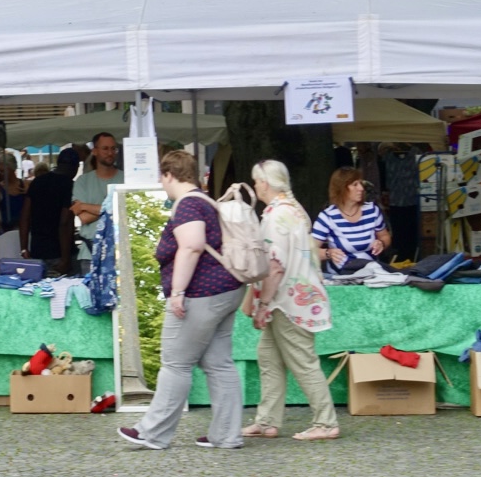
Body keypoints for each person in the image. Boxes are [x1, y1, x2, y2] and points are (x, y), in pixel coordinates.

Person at [118, 151, 244, 450]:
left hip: (202, 294)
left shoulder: (187, 205)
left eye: (162, 179)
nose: (162, 185)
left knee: (175, 363)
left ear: (168, 175)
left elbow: (191, 246)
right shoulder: (207, 202)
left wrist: (177, 292)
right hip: (228, 289)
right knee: (219, 363)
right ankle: (227, 435)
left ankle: (153, 432)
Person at [242, 160, 339, 441]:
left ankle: (326, 422)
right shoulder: (293, 212)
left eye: (257, 181)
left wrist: (263, 304)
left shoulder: (275, 217)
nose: (256, 186)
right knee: (269, 357)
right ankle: (267, 421)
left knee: (302, 361)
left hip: (287, 302)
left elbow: (274, 267)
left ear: (267, 183)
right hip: (295, 299)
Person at [312, 167, 391, 277]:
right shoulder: (327, 217)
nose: (361, 188)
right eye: (355, 184)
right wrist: (328, 253)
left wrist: (381, 243)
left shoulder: (372, 210)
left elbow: (385, 236)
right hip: (341, 277)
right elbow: (309, 250)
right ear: (342, 188)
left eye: (360, 183)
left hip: (372, 274)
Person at [20, 147, 79, 276]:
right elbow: (64, 222)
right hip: (59, 253)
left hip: (37, 251)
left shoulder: (37, 182)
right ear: (75, 167)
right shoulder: (69, 185)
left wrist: (24, 248)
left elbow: (24, 217)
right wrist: (66, 258)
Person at [72, 132, 125, 275]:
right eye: (105, 148)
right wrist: (114, 206)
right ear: (95, 151)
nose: (110, 153)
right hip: (89, 254)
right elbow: (84, 218)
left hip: (121, 253)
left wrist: (84, 206)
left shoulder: (126, 180)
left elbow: (127, 209)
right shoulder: (82, 181)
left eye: (113, 149)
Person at [0, 151, 27, 234]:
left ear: (12, 168)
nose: (1, 174)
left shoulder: (26, 185)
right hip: (7, 231)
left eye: (3, 171)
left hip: (26, 229)